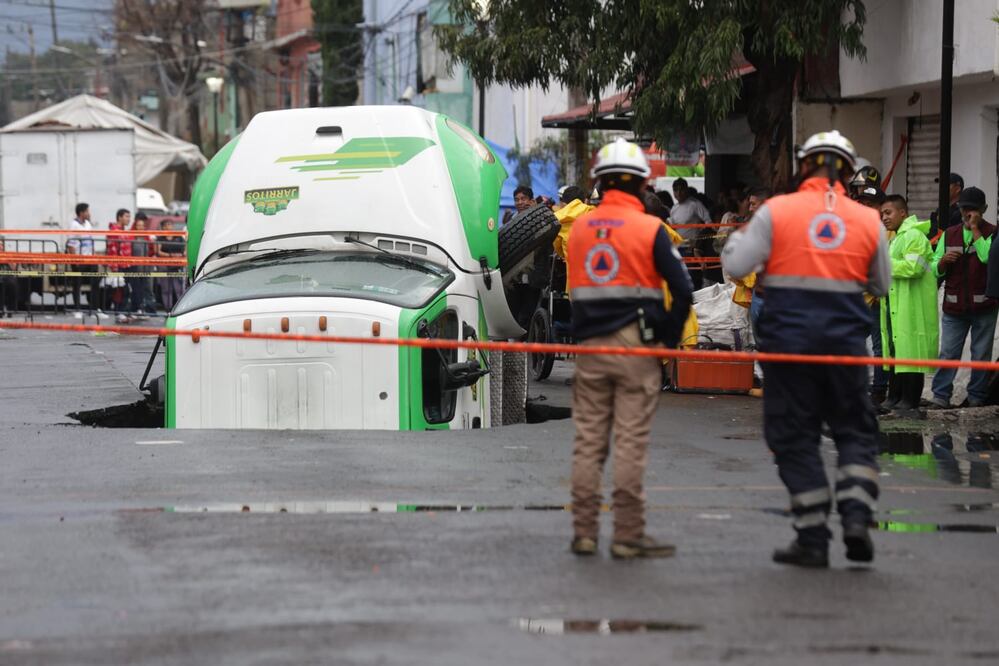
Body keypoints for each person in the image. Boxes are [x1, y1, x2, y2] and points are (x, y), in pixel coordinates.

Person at [722, 130, 890, 568]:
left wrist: (739, 240)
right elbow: (882, 285)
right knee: (854, 431)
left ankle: (813, 537)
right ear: (848, 171)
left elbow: (737, 266)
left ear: (804, 166)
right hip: (846, 347)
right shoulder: (868, 220)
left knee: (795, 436)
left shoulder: (777, 212)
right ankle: (856, 515)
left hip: (790, 348)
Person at [567, 138, 692, 559]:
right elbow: (683, 290)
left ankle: (584, 532)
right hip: (637, 346)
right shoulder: (651, 229)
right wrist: (667, 341)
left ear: (599, 182)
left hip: (589, 347)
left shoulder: (580, 229)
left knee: (588, 441)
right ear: (642, 184)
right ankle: (627, 535)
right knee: (630, 441)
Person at [928, 186, 997, 409]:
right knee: (948, 352)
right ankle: (940, 396)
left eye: (973, 210)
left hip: (984, 307)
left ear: (983, 209)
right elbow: (933, 268)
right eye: (964, 209)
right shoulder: (950, 233)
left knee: (981, 355)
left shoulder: (992, 232)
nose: (967, 214)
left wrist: (976, 230)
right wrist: (942, 262)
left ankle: (976, 398)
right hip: (954, 307)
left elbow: (988, 258)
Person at [878, 195, 938, 415]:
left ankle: (909, 399)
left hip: (911, 307)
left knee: (910, 352)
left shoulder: (913, 236)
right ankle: (894, 396)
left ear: (903, 213)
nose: (884, 217)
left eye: (888, 212)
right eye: (882, 213)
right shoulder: (895, 239)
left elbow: (913, 268)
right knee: (896, 351)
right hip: (896, 305)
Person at [668, 178, 712, 289]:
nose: (678, 193)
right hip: (677, 249)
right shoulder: (674, 208)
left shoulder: (695, 204)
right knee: (680, 279)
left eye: (681, 190)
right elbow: (672, 229)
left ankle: (693, 304)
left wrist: (698, 241)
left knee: (691, 280)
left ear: (686, 190)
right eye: (675, 190)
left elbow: (708, 222)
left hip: (690, 249)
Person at [67, 202, 99, 314]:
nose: (89, 213)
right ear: (81, 213)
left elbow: (91, 240)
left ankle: (95, 308)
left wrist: (94, 255)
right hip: (79, 259)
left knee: (95, 282)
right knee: (77, 284)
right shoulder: (74, 225)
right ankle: (77, 308)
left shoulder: (88, 224)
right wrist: (75, 259)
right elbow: (71, 244)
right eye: (87, 211)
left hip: (90, 258)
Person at [157, 220, 187, 313]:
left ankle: (180, 309)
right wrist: (170, 255)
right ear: (162, 228)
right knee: (166, 289)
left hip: (177, 265)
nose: (168, 227)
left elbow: (186, 247)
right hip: (164, 265)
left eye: (170, 225)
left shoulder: (178, 237)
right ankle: (168, 309)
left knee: (179, 288)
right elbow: (158, 252)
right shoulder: (160, 238)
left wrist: (182, 254)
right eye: (166, 225)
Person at [127, 213, 153, 315]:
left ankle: (145, 308)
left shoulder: (146, 236)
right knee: (135, 290)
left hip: (145, 268)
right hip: (134, 268)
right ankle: (135, 308)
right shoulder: (131, 236)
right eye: (139, 225)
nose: (141, 227)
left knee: (145, 289)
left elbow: (151, 250)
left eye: (143, 225)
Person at [929, 172, 964, 239]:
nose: (941, 188)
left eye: (946, 185)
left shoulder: (962, 211)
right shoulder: (940, 209)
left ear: (957, 189)